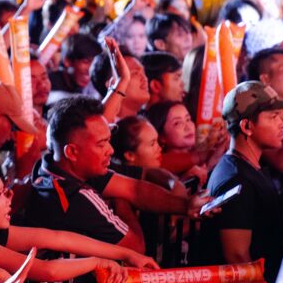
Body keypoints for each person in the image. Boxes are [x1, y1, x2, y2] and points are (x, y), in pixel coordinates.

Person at [24, 96, 210, 253]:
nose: (110, 150)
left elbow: (135, 189)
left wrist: (185, 204)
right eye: (101, 144)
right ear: (72, 152)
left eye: (109, 141)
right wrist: (121, 203)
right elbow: (136, 247)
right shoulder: (74, 197)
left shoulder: (55, 166)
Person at [0, 163, 156, 280]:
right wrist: (97, 263)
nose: (9, 198)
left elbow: (59, 238)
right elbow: (48, 271)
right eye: (0, 194)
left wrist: (127, 254)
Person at [201, 81, 283, 283]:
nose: (282, 124)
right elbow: (237, 258)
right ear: (247, 127)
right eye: (273, 117)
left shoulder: (248, 168)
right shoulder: (235, 180)